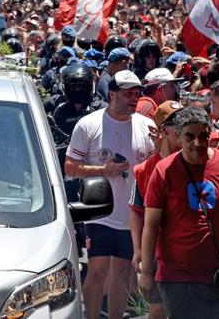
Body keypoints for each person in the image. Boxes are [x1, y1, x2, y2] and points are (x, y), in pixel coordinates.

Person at [140, 107, 219, 319]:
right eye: (190, 137)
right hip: (178, 277)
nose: (197, 143)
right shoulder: (164, 170)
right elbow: (151, 224)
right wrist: (146, 272)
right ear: (179, 137)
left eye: (203, 136)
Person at [65, 70, 155, 319]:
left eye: (137, 94)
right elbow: (70, 167)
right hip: (99, 212)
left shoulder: (147, 126)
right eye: (128, 94)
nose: (133, 99)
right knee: (97, 270)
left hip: (131, 216)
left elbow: (155, 167)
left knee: (123, 273)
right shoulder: (89, 124)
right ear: (112, 95)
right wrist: (104, 170)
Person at [129, 100, 184, 319]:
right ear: (162, 130)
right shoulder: (144, 170)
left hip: (188, 248)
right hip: (158, 249)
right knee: (158, 310)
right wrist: (138, 250)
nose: (181, 127)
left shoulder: (196, 161)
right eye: (175, 123)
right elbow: (136, 210)